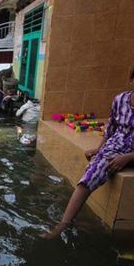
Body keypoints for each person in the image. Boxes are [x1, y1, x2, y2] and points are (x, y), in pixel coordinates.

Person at [44, 68, 134, 238]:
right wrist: (99, 149)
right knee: (93, 171)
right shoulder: (120, 100)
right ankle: (64, 223)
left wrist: (128, 157)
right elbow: (111, 129)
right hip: (116, 147)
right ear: (131, 79)